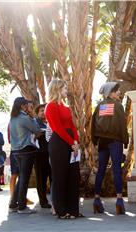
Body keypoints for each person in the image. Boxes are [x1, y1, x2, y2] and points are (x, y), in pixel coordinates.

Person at [45, 79, 83, 219]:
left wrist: (76, 142)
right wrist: (70, 142)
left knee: (74, 177)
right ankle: (61, 211)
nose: (67, 90)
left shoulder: (66, 107)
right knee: (60, 177)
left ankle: (74, 210)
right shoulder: (50, 106)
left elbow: (72, 125)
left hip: (71, 142)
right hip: (59, 143)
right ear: (57, 89)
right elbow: (58, 128)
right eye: (64, 88)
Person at [91, 82, 129, 215]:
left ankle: (96, 200)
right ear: (110, 93)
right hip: (115, 141)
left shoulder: (99, 106)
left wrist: (95, 140)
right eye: (116, 90)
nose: (119, 92)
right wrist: (125, 141)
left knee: (101, 170)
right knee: (117, 170)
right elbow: (122, 125)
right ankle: (119, 201)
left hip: (102, 142)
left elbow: (93, 125)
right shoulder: (118, 106)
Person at [8, 97, 42, 214]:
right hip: (27, 150)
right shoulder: (24, 118)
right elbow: (37, 130)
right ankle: (22, 206)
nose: (29, 107)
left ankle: (13, 204)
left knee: (21, 177)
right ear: (23, 106)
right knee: (24, 178)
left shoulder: (12, 118)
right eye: (27, 105)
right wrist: (32, 116)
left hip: (16, 151)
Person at [34, 104, 52, 208]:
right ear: (37, 113)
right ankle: (43, 201)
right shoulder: (35, 123)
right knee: (41, 179)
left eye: (45, 110)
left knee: (52, 177)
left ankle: (54, 199)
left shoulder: (50, 122)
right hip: (40, 154)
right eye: (41, 110)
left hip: (51, 153)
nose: (44, 112)